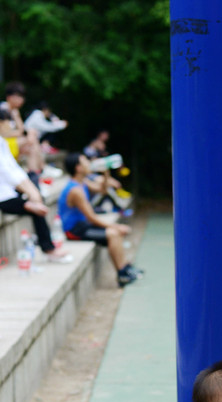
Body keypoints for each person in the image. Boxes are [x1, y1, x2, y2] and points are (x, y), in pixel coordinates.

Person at [57, 152, 142, 287]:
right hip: (74, 230)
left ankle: (125, 268)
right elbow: (91, 217)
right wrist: (115, 227)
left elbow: (102, 191)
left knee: (114, 232)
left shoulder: (82, 182)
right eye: (85, 161)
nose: (89, 163)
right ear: (78, 168)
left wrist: (106, 173)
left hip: (83, 225)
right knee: (114, 233)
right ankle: (122, 274)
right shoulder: (75, 191)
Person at [0, 114, 71, 262]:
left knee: (36, 193)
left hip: (10, 189)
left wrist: (32, 190)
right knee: (37, 207)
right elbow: (7, 173)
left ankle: (32, 204)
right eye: (9, 124)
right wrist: (30, 191)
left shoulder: (2, 142)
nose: (12, 128)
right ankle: (49, 249)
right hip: (4, 194)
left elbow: (14, 170)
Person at [0, 81, 44, 180]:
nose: (22, 100)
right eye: (19, 97)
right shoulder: (2, 110)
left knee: (32, 146)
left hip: (11, 143)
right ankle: (38, 171)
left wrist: (17, 116)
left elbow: (21, 130)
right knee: (32, 139)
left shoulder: (14, 111)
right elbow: (5, 133)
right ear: (10, 97)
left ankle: (34, 174)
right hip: (3, 144)